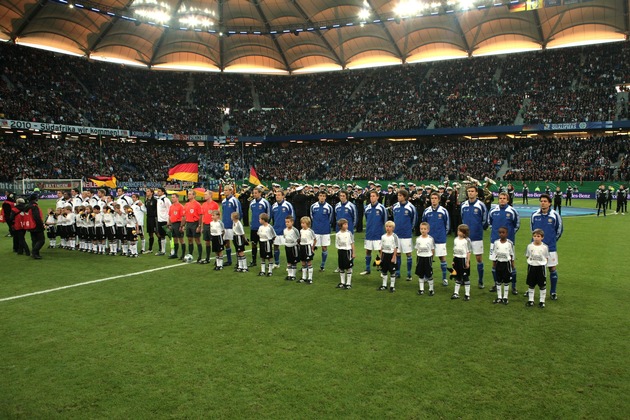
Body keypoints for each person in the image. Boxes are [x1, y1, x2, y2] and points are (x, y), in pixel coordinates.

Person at [530, 194, 563, 300]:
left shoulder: (555, 215)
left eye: (545, 201)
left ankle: (553, 292)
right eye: (541, 201)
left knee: (552, 268)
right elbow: (532, 230)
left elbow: (559, 230)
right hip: (536, 248)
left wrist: (552, 241)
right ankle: (531, 290)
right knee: (534, 268)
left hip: (550, 247)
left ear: (549, 203)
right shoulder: (534, 215)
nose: (542, 203)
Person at [488, 192, 520, 294]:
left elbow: (517, 225)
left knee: (511, 263)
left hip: (509, 242)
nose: (502, 200)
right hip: (494, 241)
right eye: (500, 198)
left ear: (508, 200)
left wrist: (509, 236)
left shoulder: (512, 211)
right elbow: (489, 223)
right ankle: (496, 283)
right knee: (494, 264)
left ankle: (513, 286)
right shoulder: (493, 211)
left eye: (504, 198)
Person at [460, 184, 488, 289]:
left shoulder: (481, 205)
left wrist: (479, 228)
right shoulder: (464, 205)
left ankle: (480, 280)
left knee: (478, 258)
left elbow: (485, 220)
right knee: (465, 258)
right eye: (469, 191)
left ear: (476, 193)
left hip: (477, 235)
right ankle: (465, 278)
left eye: (472, 191)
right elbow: (462, 218)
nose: (470, 193)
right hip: (465, 237)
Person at [422, 192, 450, 286]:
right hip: (429, 239)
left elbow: (447, 225)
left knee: (442, 258)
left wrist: (442, 234)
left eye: (435, 198)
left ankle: (444, 278)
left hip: (440, 238)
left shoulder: (443, 211)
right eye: (432, 198)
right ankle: (427, 275)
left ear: (439, 199)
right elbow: (424, 224)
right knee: (428, 258)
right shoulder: (426, 211)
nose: (433, 200)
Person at [392, 188, 417, 281]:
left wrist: (409, 229)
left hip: (406, 234)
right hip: (397, 234)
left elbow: (414, 220)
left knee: (408, 254)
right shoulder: (395, 206)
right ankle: (397, 272)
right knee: (397, 254)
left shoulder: (411, 207)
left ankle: (409, 274)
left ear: (405, 197)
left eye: (400, 195)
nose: (398, 197)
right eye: (398, 195)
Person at [362, 190, 387, 275]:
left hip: (378, 233)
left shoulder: (381, 207)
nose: (372, 198)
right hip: (369, 233)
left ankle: (383, 269)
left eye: (373, 196)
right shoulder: (367, 207)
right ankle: (367, 269)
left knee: (381, 251)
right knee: (368, 251)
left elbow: (385, 221)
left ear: (377, 197)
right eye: (371, 196)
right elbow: (366, 218)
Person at [525, 228, 550, 309]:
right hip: (532, 267)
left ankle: (542, 301)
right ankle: (531, 300)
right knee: (531, 284)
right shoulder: (529, 246)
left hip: (541, 268)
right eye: (534, 236)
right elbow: (527, 256)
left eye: (538, 236)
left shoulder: (545, 247)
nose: (536, 238)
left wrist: (542, 263)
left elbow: (546, 257)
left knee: (542, 285)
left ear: (542, 237)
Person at [271, 189, 295, 268]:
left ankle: (289, 264)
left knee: (288, 247)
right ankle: (277, 263)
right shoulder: (274, 206)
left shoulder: (288, 205)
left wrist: (290, 227)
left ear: (283, 196)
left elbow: (292, 217)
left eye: (279, 195)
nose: (277, 196)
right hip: (276, 229)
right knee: (276, 246)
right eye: (276, 195)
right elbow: (271, 217)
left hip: (286, 230)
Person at [310, 190, 333, 272]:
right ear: (318, 196)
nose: (322, 197)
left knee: (324, 247)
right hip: (315, 230)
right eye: (320, 195)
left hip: (325, 230)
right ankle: (308, 264)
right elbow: (312, 217)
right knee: (312, 247)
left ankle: (322, 265)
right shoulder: (313, 206)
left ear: (325, 197)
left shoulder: (329, 207)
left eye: (323, 196)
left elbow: (330, 219)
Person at [491, 226, 515, 305]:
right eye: (500, 233)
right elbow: (494, 253)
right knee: (498, 281)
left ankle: (505, 297)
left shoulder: (509, 243)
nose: (501, 234)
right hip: (499, 263)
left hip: (506, 264)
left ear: (506, 234)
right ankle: (499, 297)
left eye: (503, 233)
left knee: (506, 281)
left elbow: (511, 254)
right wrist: (494, 263)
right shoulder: (496, 242)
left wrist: (512, 264)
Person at [249, 186, 271, 267]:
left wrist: (266, 224)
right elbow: (251, 213)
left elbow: (269, 214)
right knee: (254, 244)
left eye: (256, 193)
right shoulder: (252, 203)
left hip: (263, 228)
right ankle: (254, 260)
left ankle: (267, 261)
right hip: (254, 227)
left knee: (264, 244)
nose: (254, 194)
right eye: (253, 193)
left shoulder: (265, 202)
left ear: (260, 193)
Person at [221, 185, 242, 267]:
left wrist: (236, 223)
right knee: (227, 243)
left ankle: (239, 261)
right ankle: (229, 260)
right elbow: (223, 212)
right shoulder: (223, 201)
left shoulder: (234, 200)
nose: (225, 191)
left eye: (226, 190)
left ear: (231, 191)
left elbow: (238, 212)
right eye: (224, 190)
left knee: (236, 243)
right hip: (225, 225)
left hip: (233, 225)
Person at [451, 224, 472, 301]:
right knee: (457, 277)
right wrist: (453, 261)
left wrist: (467, 262)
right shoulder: (455, 239)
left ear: (464, 233)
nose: (458, 232)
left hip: (463, 260)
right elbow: (454, 250)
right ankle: (456, 293)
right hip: (457, 259)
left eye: (460, 231)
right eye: (458, 230)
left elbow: (469, 252)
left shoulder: (467, 240)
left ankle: (467, 294)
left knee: (465, 277)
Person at [414, 221, 435, 296]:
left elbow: (432, 249)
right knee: (420, 274)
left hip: (428, 258)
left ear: (428, 230)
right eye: (421, 229)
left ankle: (431, 289)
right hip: (420, 258)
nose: (423, 230)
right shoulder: (418, 239)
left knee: (429, 274)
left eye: (424, 229)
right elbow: (417, 249)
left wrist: (431, 258)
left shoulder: (430, 239)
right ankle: (421, 289)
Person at [378, 220, 399, 292]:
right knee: (384, 270)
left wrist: (394, 257)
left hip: (391, 255)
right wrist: (381, 257)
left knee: (392, 271)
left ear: (393, 228)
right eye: (387, 226)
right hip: (384, 255)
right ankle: (384, 285)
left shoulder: (394, 236)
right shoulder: (383, 236)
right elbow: (381, 247)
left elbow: (395, 247)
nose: (388, 228)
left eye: (390, 227)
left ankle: (392, 286)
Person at [182, 190, 203, 262]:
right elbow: (184, 216)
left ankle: (200, 256)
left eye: (190, 194)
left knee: (197, 240)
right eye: (188, 194)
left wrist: (199, 226)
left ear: (194, 196)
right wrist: (183, 225)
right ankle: (190, 254)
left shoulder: (197, 204)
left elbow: (200, 216)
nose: (188, 195)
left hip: (195, 223)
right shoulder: (186, 204)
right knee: (189, 239)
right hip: (188, 223)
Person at [200, 190, 220, 264]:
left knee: (214, 242)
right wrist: (202, 227)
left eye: (206, 194)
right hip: (205, 225)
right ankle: (207, 258)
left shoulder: (215, 204)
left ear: (210, 195)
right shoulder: (204, 204)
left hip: (212, 225)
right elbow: (203, 216)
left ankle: (217, 259)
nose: (204, 196)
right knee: (207, 242)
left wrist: (217, 225)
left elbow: (218, 215)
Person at [335, 218, 355, 290]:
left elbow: (352, 243)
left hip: (348, 251)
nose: (347, 225)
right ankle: (342, 282)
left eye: (347, 224)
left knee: (348, 267)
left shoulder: (349, 233)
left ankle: (348, 283)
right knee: (341, 267)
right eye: (345, 224)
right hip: (341, 251)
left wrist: (353, 253)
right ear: (341, 226)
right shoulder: (338, 234)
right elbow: (337, 243)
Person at [25, 194, 45, 259]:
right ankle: (34, 252)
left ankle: (36, 254)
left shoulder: (28, 206)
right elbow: (37, 217)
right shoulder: (34, 206)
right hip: (36, 225)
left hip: (30, 225)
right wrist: (41, 225)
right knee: (41, 240)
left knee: (34, 240)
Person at [298, 216, 316, 284]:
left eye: (303, 223)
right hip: (302, 247)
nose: (302, 224)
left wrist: (312, 248)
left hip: (308, 247)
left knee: (308, 262)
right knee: (303, 262)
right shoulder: (301, 230)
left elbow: (315, 240)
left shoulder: (310, 231)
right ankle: (304, 277)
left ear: (308, 224)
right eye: (301, 223)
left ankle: (310, 278)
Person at [283, 215, 301, 282]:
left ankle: (293, 275)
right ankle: (289, 275)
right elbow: (285, 237)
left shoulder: (295, 230)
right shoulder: (284, 230)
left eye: (288, 222)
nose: (287, 223)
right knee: (289, 261)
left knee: (294, 261)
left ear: (292, 222)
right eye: (286, 222)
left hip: (294, 247)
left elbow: (299, 238)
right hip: (287, 247)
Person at [167, 194, 185, 260]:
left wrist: (181, 226)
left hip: (178, 223)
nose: (172, 198)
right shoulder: (171, 206)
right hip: (173, 224)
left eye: (173, 197)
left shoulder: (181, 207)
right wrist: (169, 224)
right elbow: (170, 215)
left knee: (181, 239)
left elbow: (183, 217)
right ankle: (175, 254)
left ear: (177, 198)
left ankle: (183, 255)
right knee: (175, 239)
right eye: (171, 197)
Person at [155, 187, 171, 256]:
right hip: (160, 220)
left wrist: (169, 220)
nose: (158, 192)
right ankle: (163, 251)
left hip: (165, 220)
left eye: (159, 191)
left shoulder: (166, 200)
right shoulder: (158, 199)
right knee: (162, 236)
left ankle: (173, 251)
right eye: (157, 191)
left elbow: (170, 210)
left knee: (170, 236)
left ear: (163, 192)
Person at [144, 188, 158, 254]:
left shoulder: (155, 200)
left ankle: (161, 248)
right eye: (146, 191)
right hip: (148, 218)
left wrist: (155, 216)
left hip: (154, 218)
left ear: (152, 192)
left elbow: (157, 210)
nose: (147, 192)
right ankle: (150, 249)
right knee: (150, 233)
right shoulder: (146, 200)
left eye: (148, 191)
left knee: (156, 233)